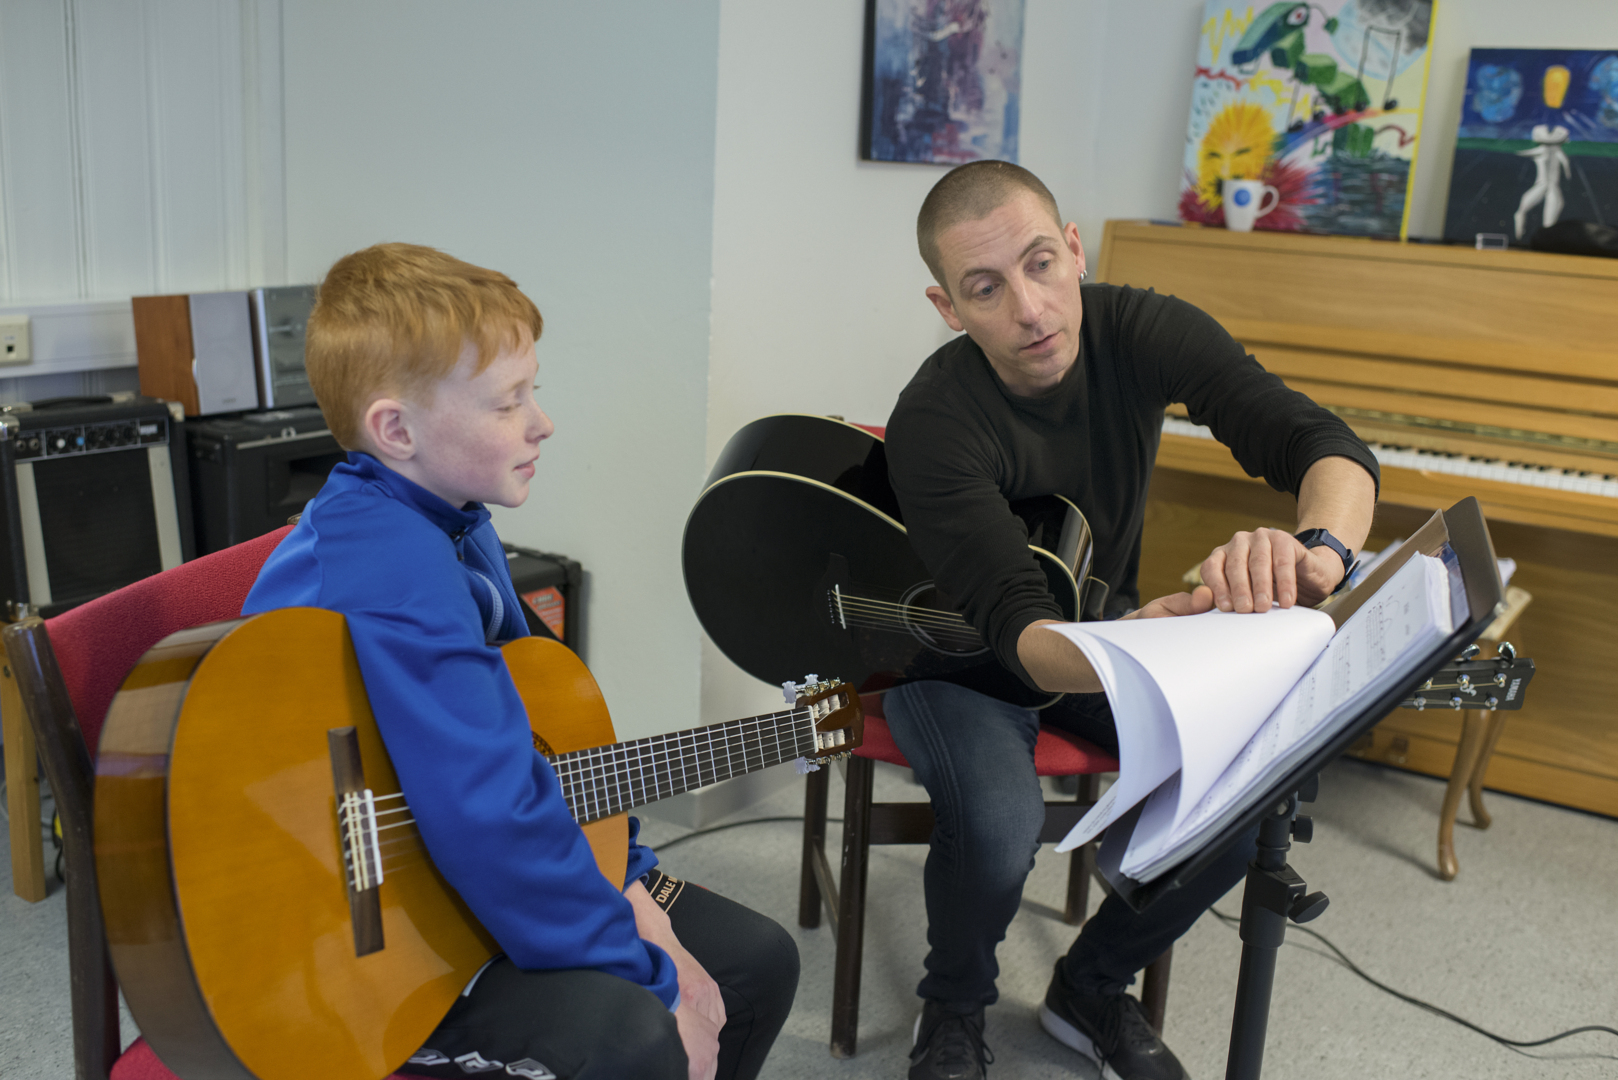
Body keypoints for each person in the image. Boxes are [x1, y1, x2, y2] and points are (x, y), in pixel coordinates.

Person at [243, 243, 798, 1080]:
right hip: (347, 944)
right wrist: (653, 973)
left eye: (532, 391)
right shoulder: (393, 563)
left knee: (757, 959)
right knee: (640, 1031)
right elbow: (489, 812)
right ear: (397, 429)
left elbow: (549, 749)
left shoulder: (452, 519)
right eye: (509, 401)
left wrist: (632, 883)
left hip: (459, 867)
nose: (541, 421)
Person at [881, 161, 1379, 1080]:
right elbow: (1022, 640)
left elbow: (1323, 443)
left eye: (1041, 264)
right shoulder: (934, 420)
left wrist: (1320, 559)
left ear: (1074, 251)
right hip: (963, 663)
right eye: (986, 289)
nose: (1030, 310)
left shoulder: (1142, 327)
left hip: (1109, 633)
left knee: (1261, 780)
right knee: (997, 823)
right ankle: (952, 1007)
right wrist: (1150, 637)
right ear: (948, 307)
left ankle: (1090, 987)